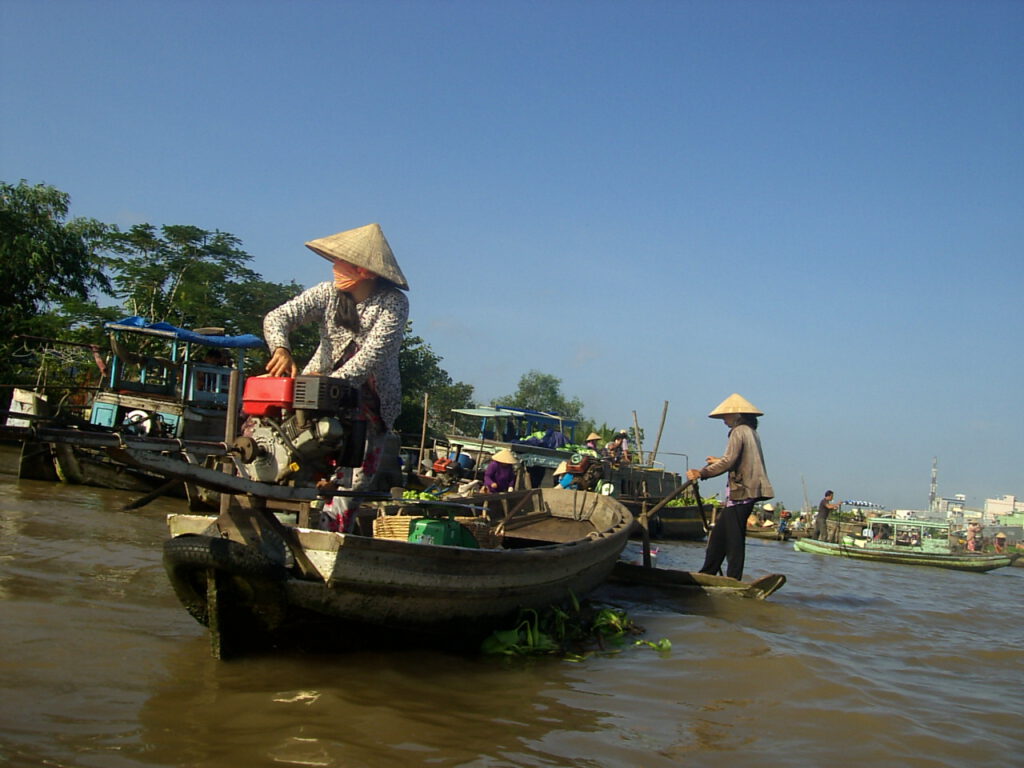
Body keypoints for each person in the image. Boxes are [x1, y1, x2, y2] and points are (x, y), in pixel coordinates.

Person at [263, 223, 409, 531]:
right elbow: (278, 317)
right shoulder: (327, 293)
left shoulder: (393, 302)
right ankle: (276, 520)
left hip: (370, 401)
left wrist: (328, 384)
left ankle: (331, 536)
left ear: (365, 271)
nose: (335, 267)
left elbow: (374, 354)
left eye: (342, 262)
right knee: (288, 452)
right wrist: (281, 348)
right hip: (316, 393)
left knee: (353, 481)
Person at [686, 393, 773, 580]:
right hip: (741, 493)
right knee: (718, 537)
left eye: (726, 416)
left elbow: (729, 461)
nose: (724, 420)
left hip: (744, 491)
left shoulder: (739, 431)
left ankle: (734, 579)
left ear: (736, 415)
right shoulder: (749, 432)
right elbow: (741, 459)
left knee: (734, 539)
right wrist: (718, 461)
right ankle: (707, 573)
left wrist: (702, 473)